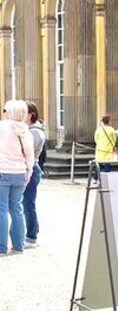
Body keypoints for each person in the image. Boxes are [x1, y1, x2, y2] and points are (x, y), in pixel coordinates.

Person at [0, 100, 35, 255]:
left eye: (5, 110)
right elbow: (30, 156)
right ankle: (19, 244)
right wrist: (28, 173)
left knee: (1, 209)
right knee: (16, 209)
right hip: (20, 173)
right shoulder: (25, 130)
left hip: (3, 171)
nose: (4, 113)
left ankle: (1, 246)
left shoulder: (2, 127)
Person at [24, 102, 45, 246]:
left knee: (28, 203)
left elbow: (26, 152)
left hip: (31, 168)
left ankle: (32, 235)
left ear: (30, 115)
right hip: (29, 168)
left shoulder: (35, 132)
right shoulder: (30, 130)